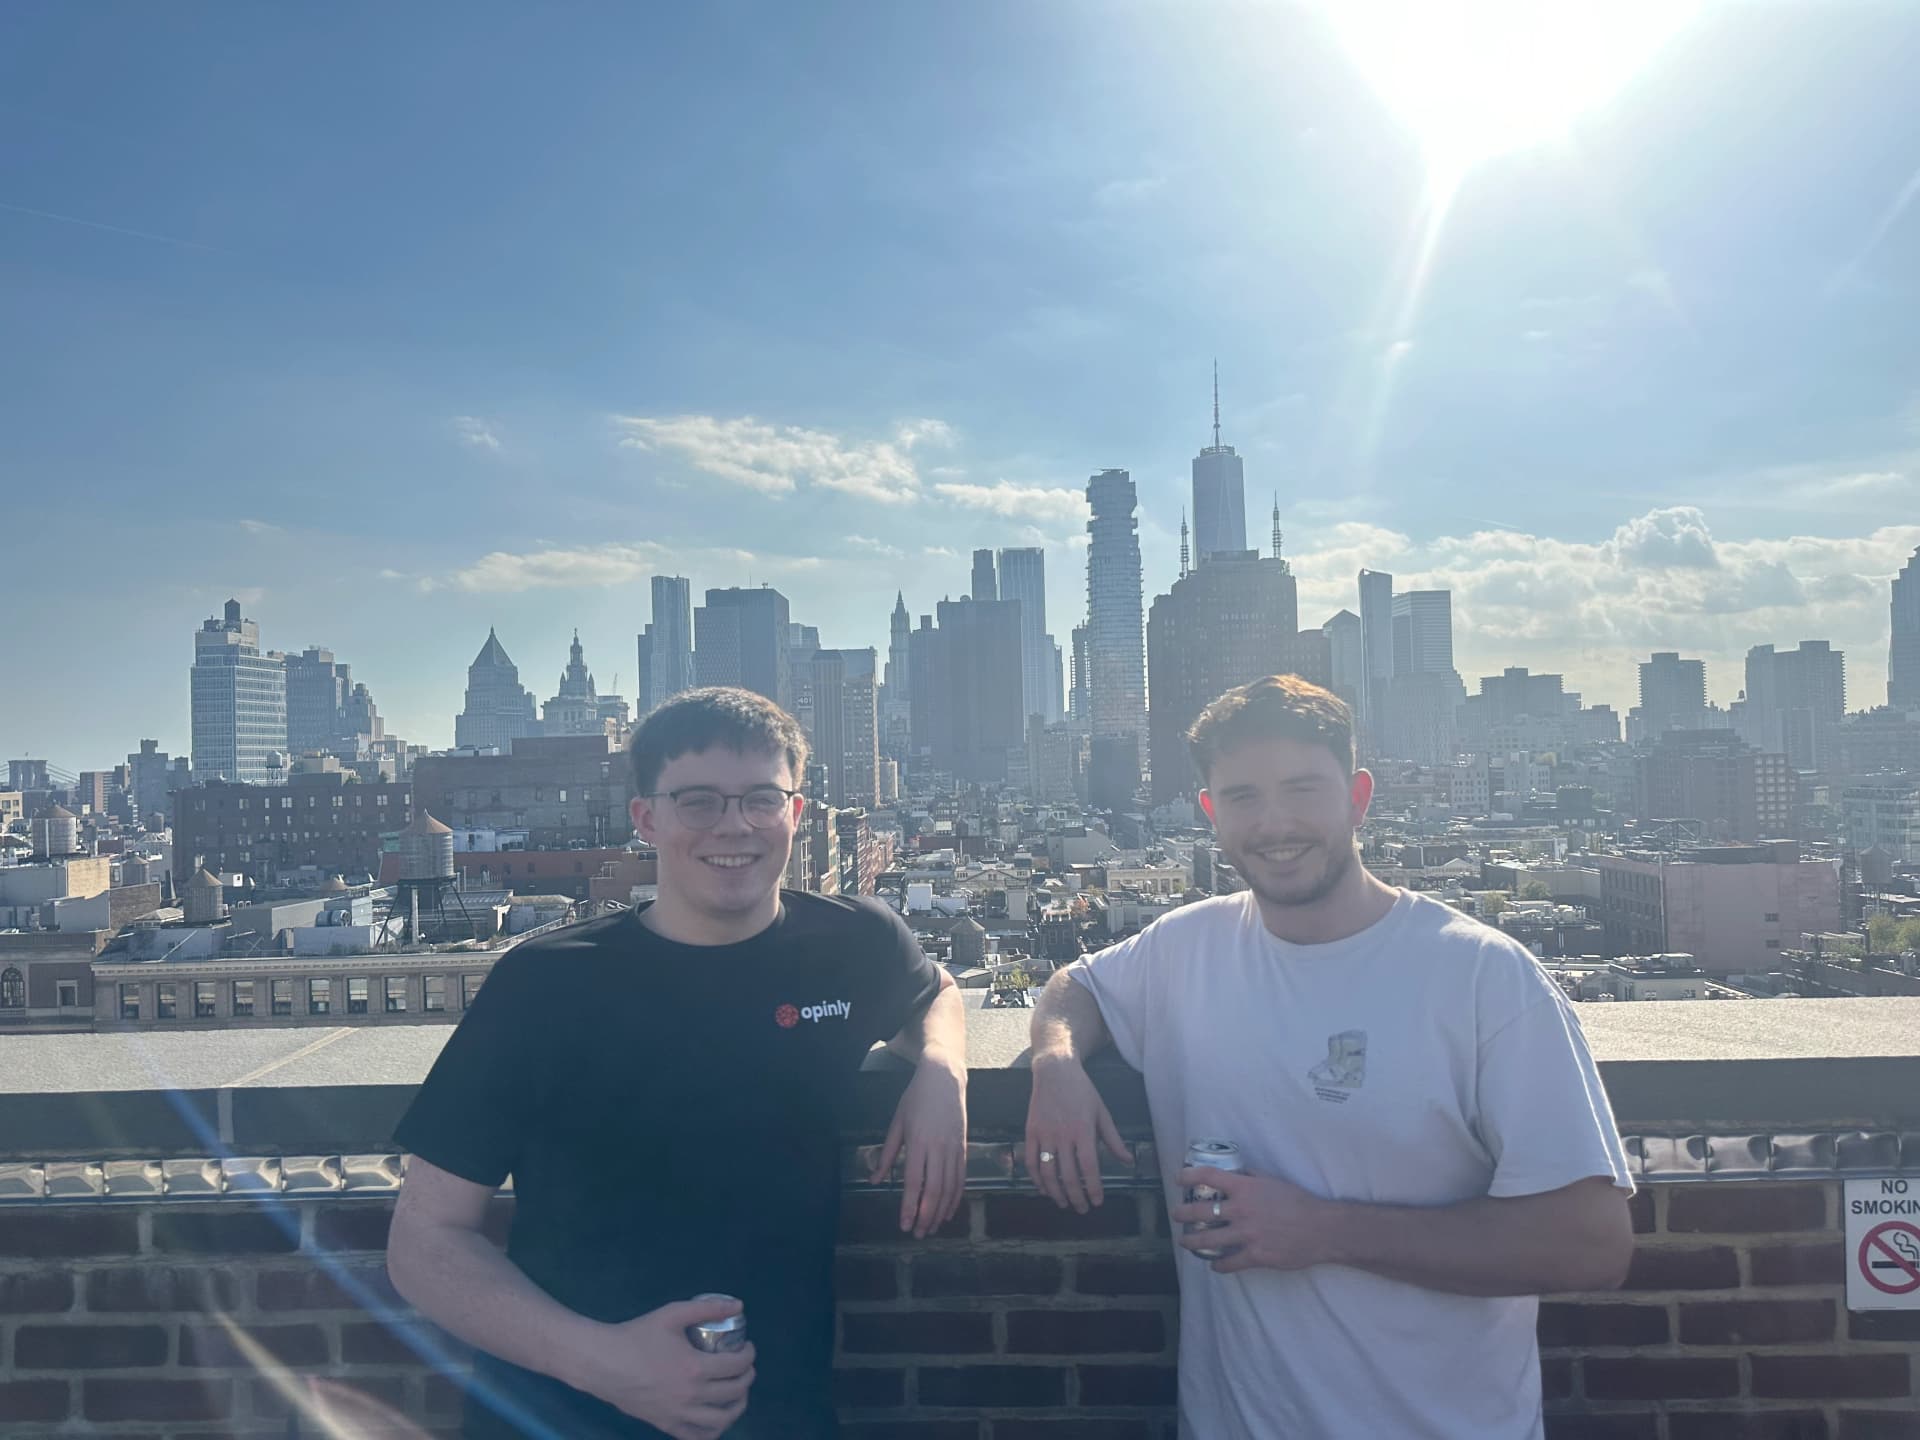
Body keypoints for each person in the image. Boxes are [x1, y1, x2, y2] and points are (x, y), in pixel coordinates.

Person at [1025, 674, 1633, 1440]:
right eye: (1243, 796)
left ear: (1359, 796)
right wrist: (1056, 1063)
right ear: (1210, 812)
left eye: (1303, 789)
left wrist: (1324, 1231)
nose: (1275, 822)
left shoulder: (1483, 976)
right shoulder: (1185, 949)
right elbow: (1071, 986)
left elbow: (1593, 1243)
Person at [387, 687, 968, 1440]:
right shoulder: (547, 984)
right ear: (647, 818)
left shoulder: (853, 945)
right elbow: (425, 1244)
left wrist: (943, 1072)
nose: (735, 826)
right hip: (562, 1417)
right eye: (699, 802)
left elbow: (936, 993)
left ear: (796, 814)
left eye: (762, 799)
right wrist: (605, 1362)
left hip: (779, 1415)